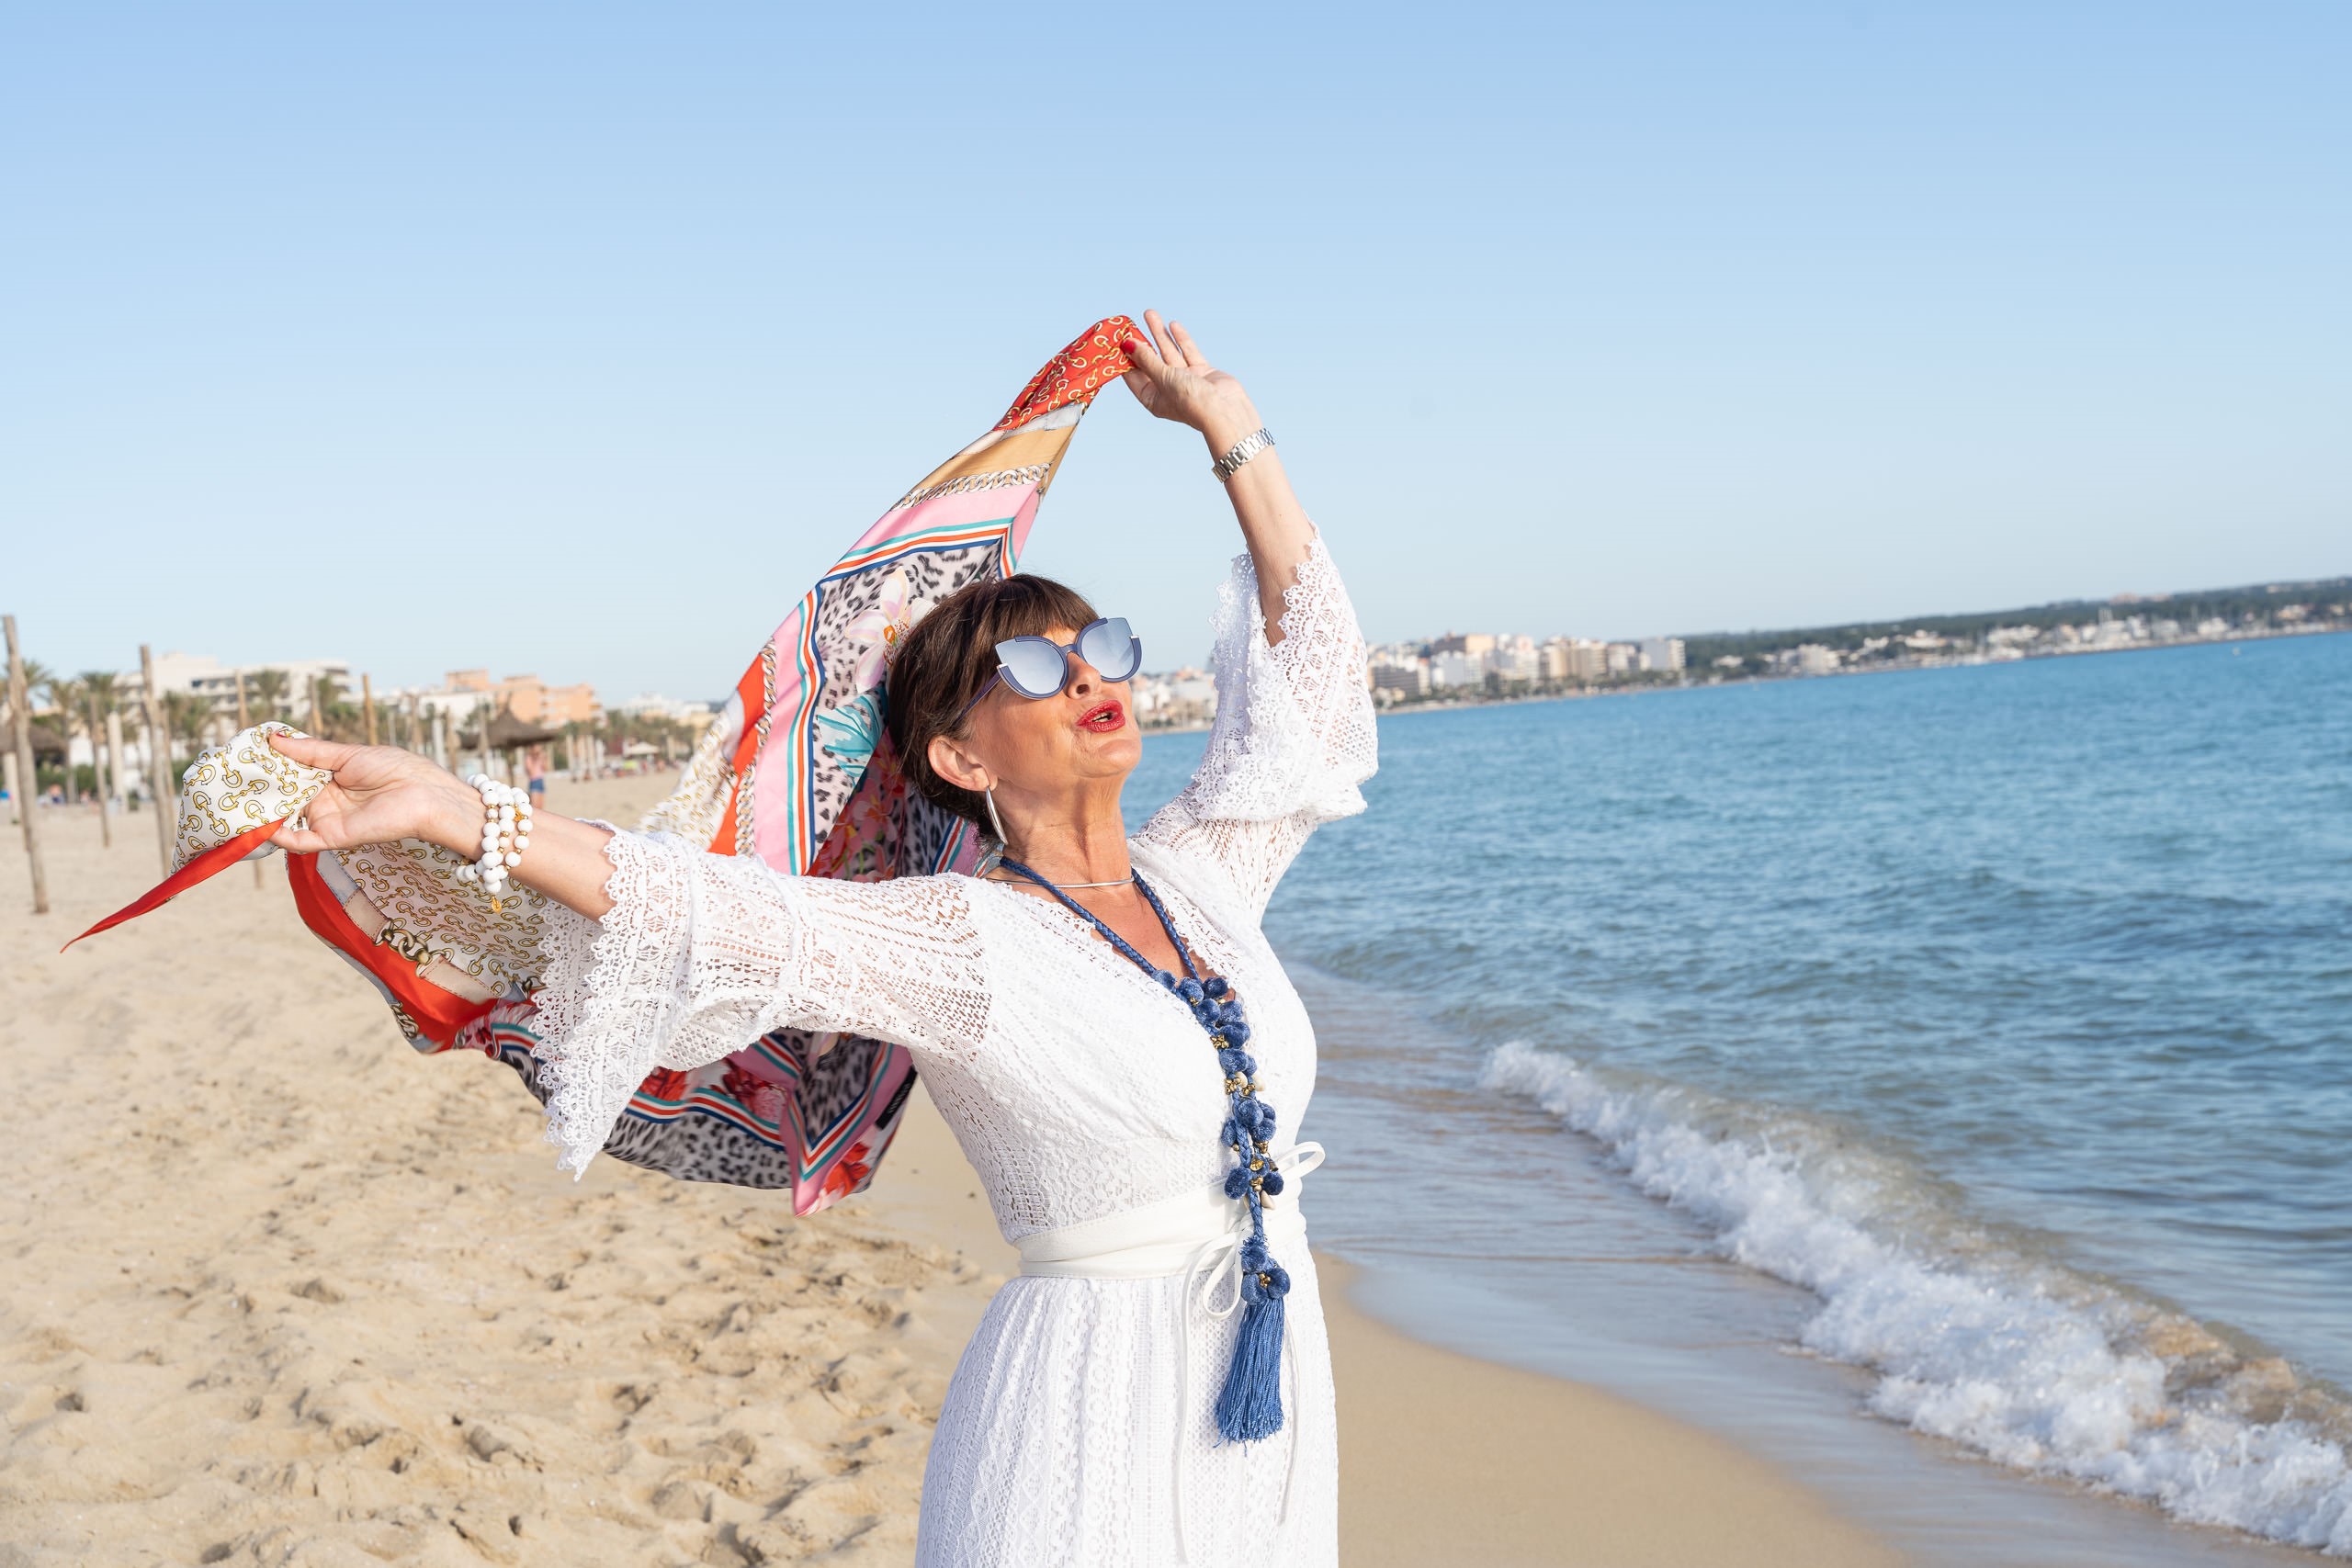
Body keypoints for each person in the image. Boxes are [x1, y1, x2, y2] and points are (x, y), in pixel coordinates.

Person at [258, 313, 1376, 1567]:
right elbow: (717, 911)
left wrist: (1233, 430)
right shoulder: (962, 942)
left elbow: (1316, 710)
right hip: (1086, 1414)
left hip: (1267, 1404)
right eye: (1027, 666)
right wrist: (459, 812)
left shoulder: (1202, 880)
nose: (1084, 675)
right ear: (959, 759)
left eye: (1098, 646)